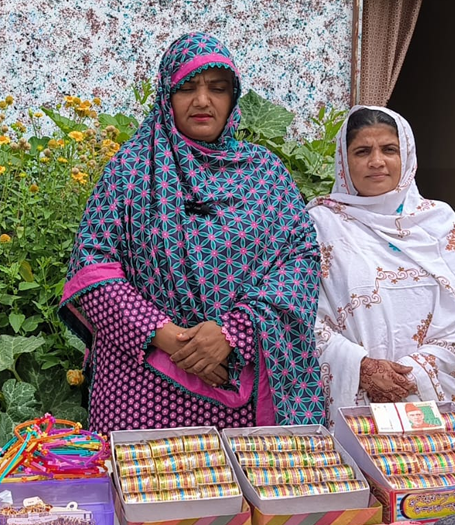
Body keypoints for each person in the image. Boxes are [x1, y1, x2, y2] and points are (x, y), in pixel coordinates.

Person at [60, 32, 323, 434]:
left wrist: (234, 332)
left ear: (233, 98)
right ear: (167, 95)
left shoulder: (267, 174)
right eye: (188, 87)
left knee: (241, 492)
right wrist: (169, 338)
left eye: (217, 88)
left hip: (242, 382)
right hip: (142, 388)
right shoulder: (130, 172)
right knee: (147, 493)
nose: (203, 100)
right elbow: (91, 271)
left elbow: (298, 261)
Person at [308, 106, 455, 428]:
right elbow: (301, 309)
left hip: (426, 388)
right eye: (362, 151)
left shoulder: (440, 223)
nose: (377, 162)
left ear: (407, 156)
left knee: (421, 472)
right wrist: (361, 367)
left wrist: (414, 371)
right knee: (357, 474)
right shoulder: (320, 224)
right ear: (344, 162)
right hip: (351, 390)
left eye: (389, 149)